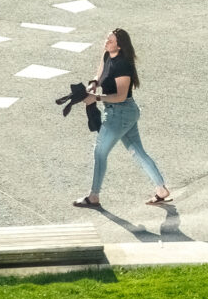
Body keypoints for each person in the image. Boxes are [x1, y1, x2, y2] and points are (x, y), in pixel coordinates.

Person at [73, 28, 171, 209]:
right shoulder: (107, 56)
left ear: (119, 44)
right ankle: (161, 190)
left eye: (110, 41)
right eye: (106, 39)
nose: (106, 43)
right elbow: (100, 75)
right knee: (137, 152)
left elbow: (120, 96)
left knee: (100, 152)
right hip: (122, 114)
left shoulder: (123, 65)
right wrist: (93, 84)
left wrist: (97, 98)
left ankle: (94, 196)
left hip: (120, 113)